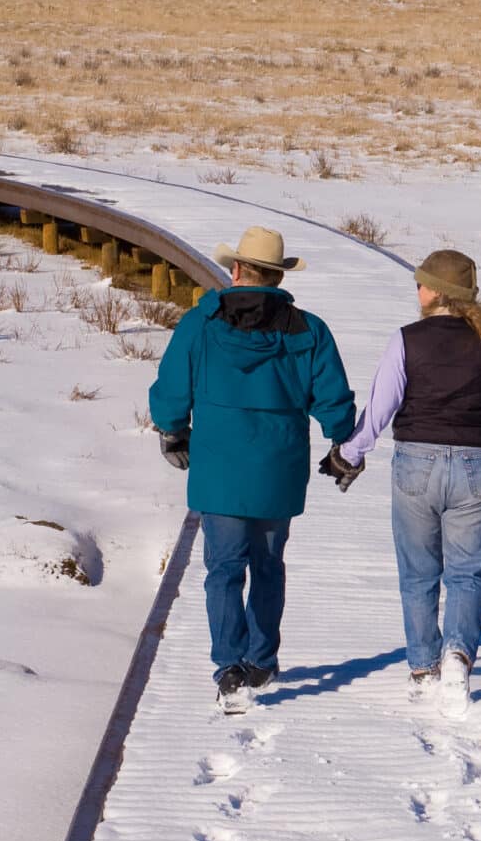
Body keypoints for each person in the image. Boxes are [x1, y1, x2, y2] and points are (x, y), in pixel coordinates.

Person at [150, 226, 356, 714]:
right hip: (278, 468)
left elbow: (172, 390)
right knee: (268, 566)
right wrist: (341, 442)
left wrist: (173, 431)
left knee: (222, 569)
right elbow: (335, 405)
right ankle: (261, 659)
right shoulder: (309, 330)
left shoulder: (200, 325)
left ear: (236, 270)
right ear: (278, 276)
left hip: (219, 469)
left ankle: (228, 667)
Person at [328, 250, 481, 719]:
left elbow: (380, 407)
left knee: (418, 574)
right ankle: (458, 658)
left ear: (437, 293)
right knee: (467, 573)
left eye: (421, 283)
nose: (416, 290)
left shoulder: (406, 341)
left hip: (416, 464)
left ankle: (424, 671)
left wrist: (349, 454)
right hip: (477, 466)